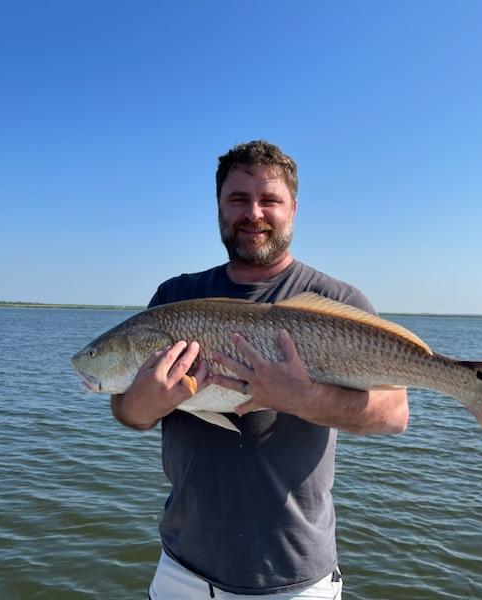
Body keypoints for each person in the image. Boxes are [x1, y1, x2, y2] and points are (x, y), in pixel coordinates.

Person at [111, 140, 409, 599]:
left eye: (269, 200)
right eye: (238, 199)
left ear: (293, 208)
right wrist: (141, 404)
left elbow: (394, 414)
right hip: (181, 569)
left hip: (294, 577)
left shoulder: (337, 302)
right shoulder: (174, 297)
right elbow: (129, 414)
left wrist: (303, 397)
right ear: (219, 207)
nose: (254, 213)